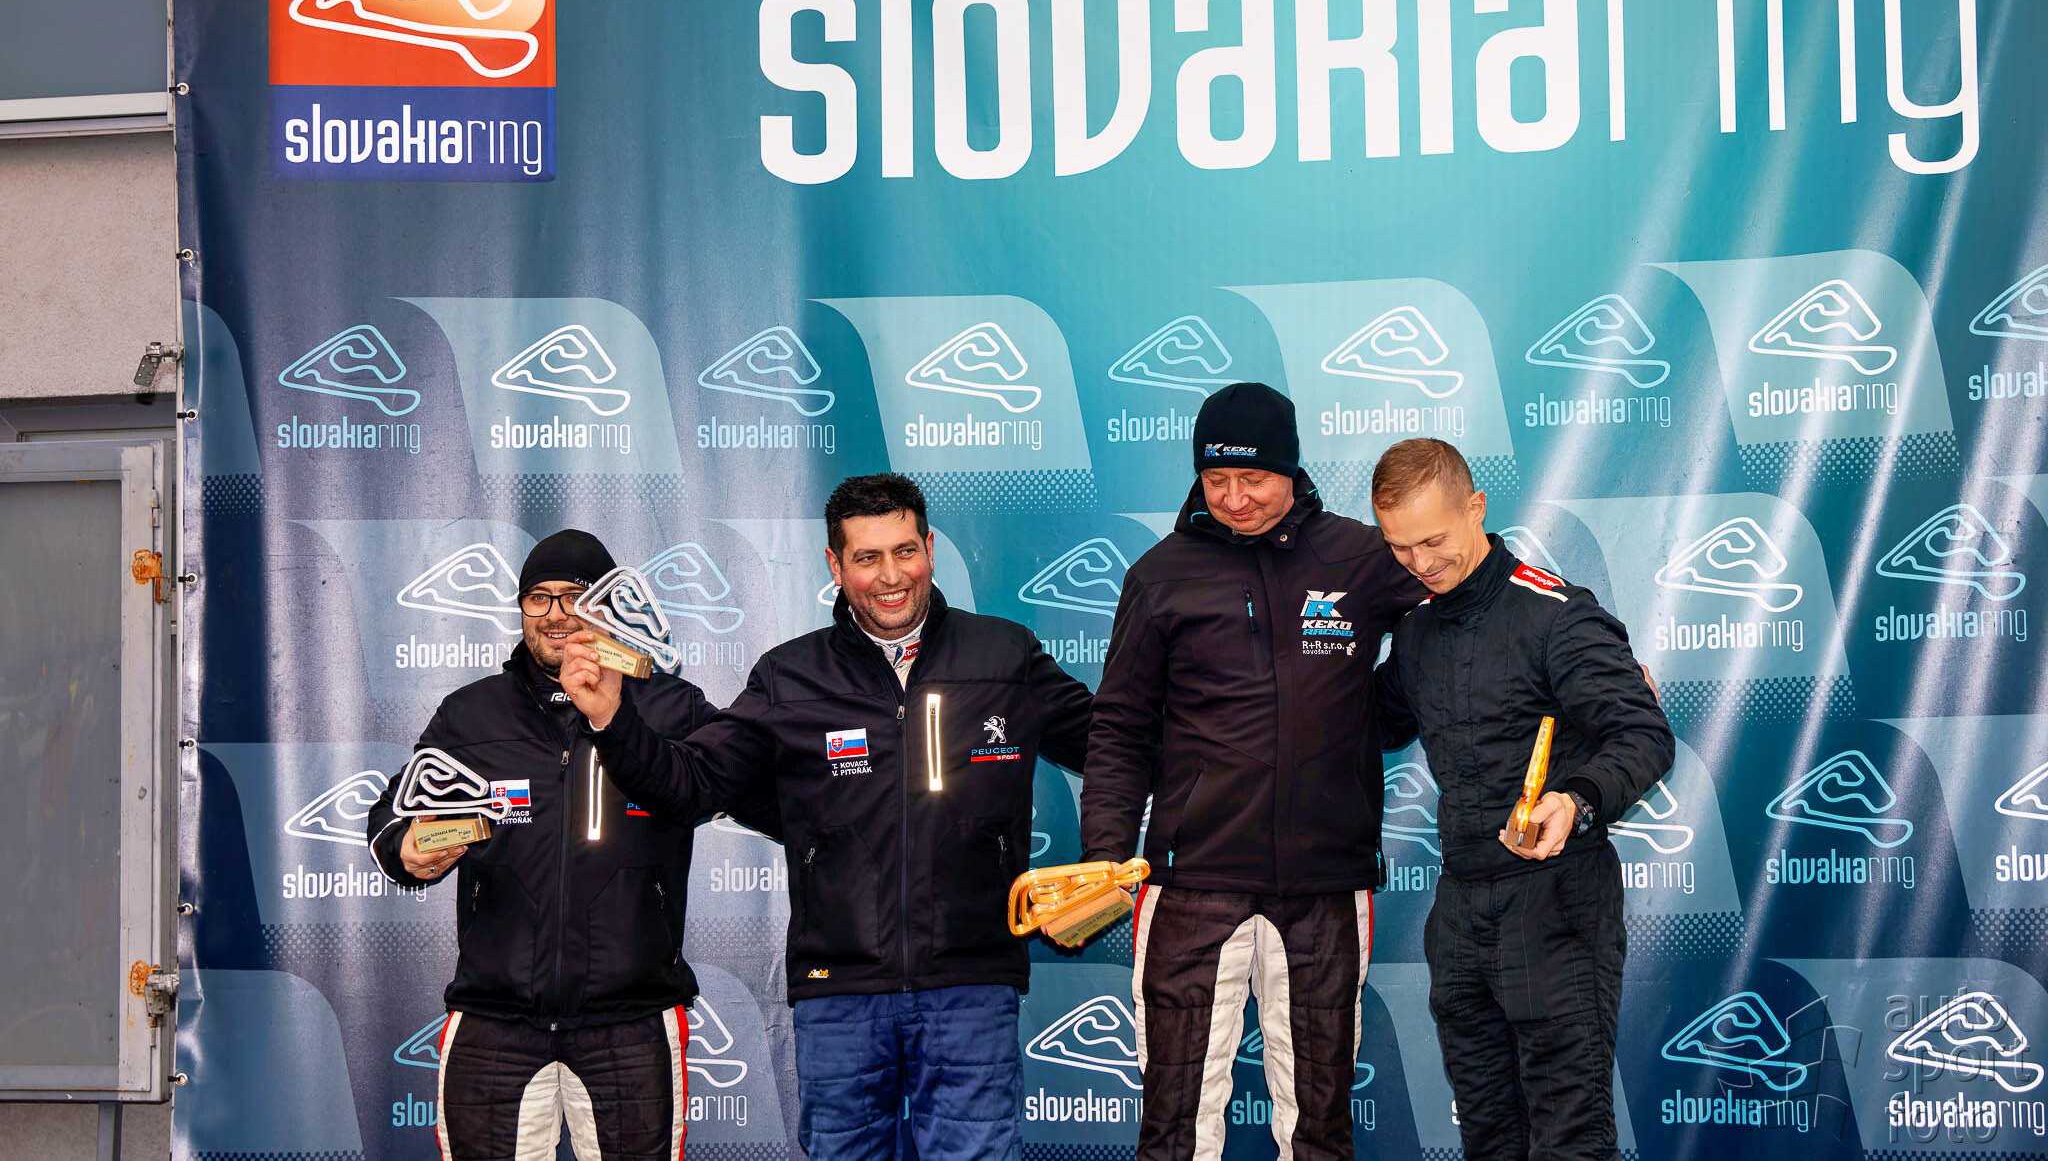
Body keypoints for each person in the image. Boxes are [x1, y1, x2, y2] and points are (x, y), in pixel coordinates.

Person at [558, 473, 1094, 1161]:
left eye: (905, 551)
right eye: (867, 558)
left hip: (973, 983)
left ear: (929, 549)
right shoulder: (790, 676)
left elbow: (1110, 743)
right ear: (836, 567)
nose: (891, 576)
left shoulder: (1005, 655)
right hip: (838, 994)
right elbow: (692, 785)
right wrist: (612, 718)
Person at [1078, 381, 1427, 1161]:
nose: (1234, 499)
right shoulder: (1160, 575)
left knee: (1319, 1129)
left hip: (1326, 886)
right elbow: (1121, 728)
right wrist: (1105, 852)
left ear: (1292, 470)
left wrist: (1586, 653)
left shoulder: (1360, 556)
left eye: (1254, 478)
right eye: (1216, 479)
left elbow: (1471, 592)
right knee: (1175, 1126)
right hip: (1191, 885)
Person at [365, 528, 754, 1161]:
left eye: (574, 596)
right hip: (495, 1021)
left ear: (608, 604)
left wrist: (615, 719)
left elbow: (717, 787)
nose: (555, 614)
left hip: (630, 1019)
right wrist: (404, 852)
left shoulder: (671, 708)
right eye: (537, 598)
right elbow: (393, 814)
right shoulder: (472, 713)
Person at [1370, 438, 1673, 1161]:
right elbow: (1365, 723)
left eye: (1433, 541)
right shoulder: (1414, 633)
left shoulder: (1557, 614)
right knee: (1490, 1137)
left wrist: (1576, 800)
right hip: (1460, 913)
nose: (1419, 563)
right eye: (1400, 547)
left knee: (1570, 1139)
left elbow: (1643, 735)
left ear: (1476, 508)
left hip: (1557, 904)